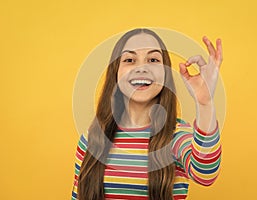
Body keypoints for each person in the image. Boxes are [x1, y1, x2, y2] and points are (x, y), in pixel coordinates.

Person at [71, 28, 223, 200]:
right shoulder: (91, 139)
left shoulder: (177, 135)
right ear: (116, 73)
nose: (142, 68)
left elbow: (206, 174)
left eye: (153, 59)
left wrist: (205, 103)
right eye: (129, 60)